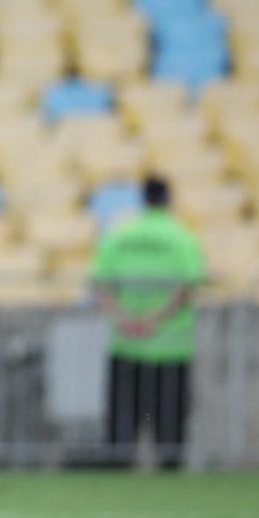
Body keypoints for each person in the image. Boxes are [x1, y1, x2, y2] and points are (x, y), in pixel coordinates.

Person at [90, 176, 204, 470]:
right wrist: (153, 321)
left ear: (142, 199)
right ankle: (167, 464)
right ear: (168, 199)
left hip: (125, 341)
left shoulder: (119, 234)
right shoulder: (181, 236)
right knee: (166, 414)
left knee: (125, 412)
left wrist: (125, 319)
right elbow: (186, 286)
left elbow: (100, 284)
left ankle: (119, 461)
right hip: (170, 344)